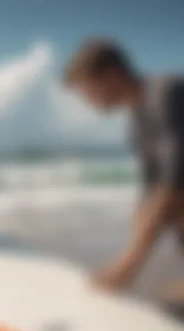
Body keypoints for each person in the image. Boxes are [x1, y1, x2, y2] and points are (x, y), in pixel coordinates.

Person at [63, 38, 184, 296]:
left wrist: (129, 263)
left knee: (174, 201)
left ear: (112, 75)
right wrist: (130, 251)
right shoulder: (135, 122)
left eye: (88, 89)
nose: (87, 100)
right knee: (160, 207)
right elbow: (149, 191)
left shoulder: (166, 92)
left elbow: (176, 180)